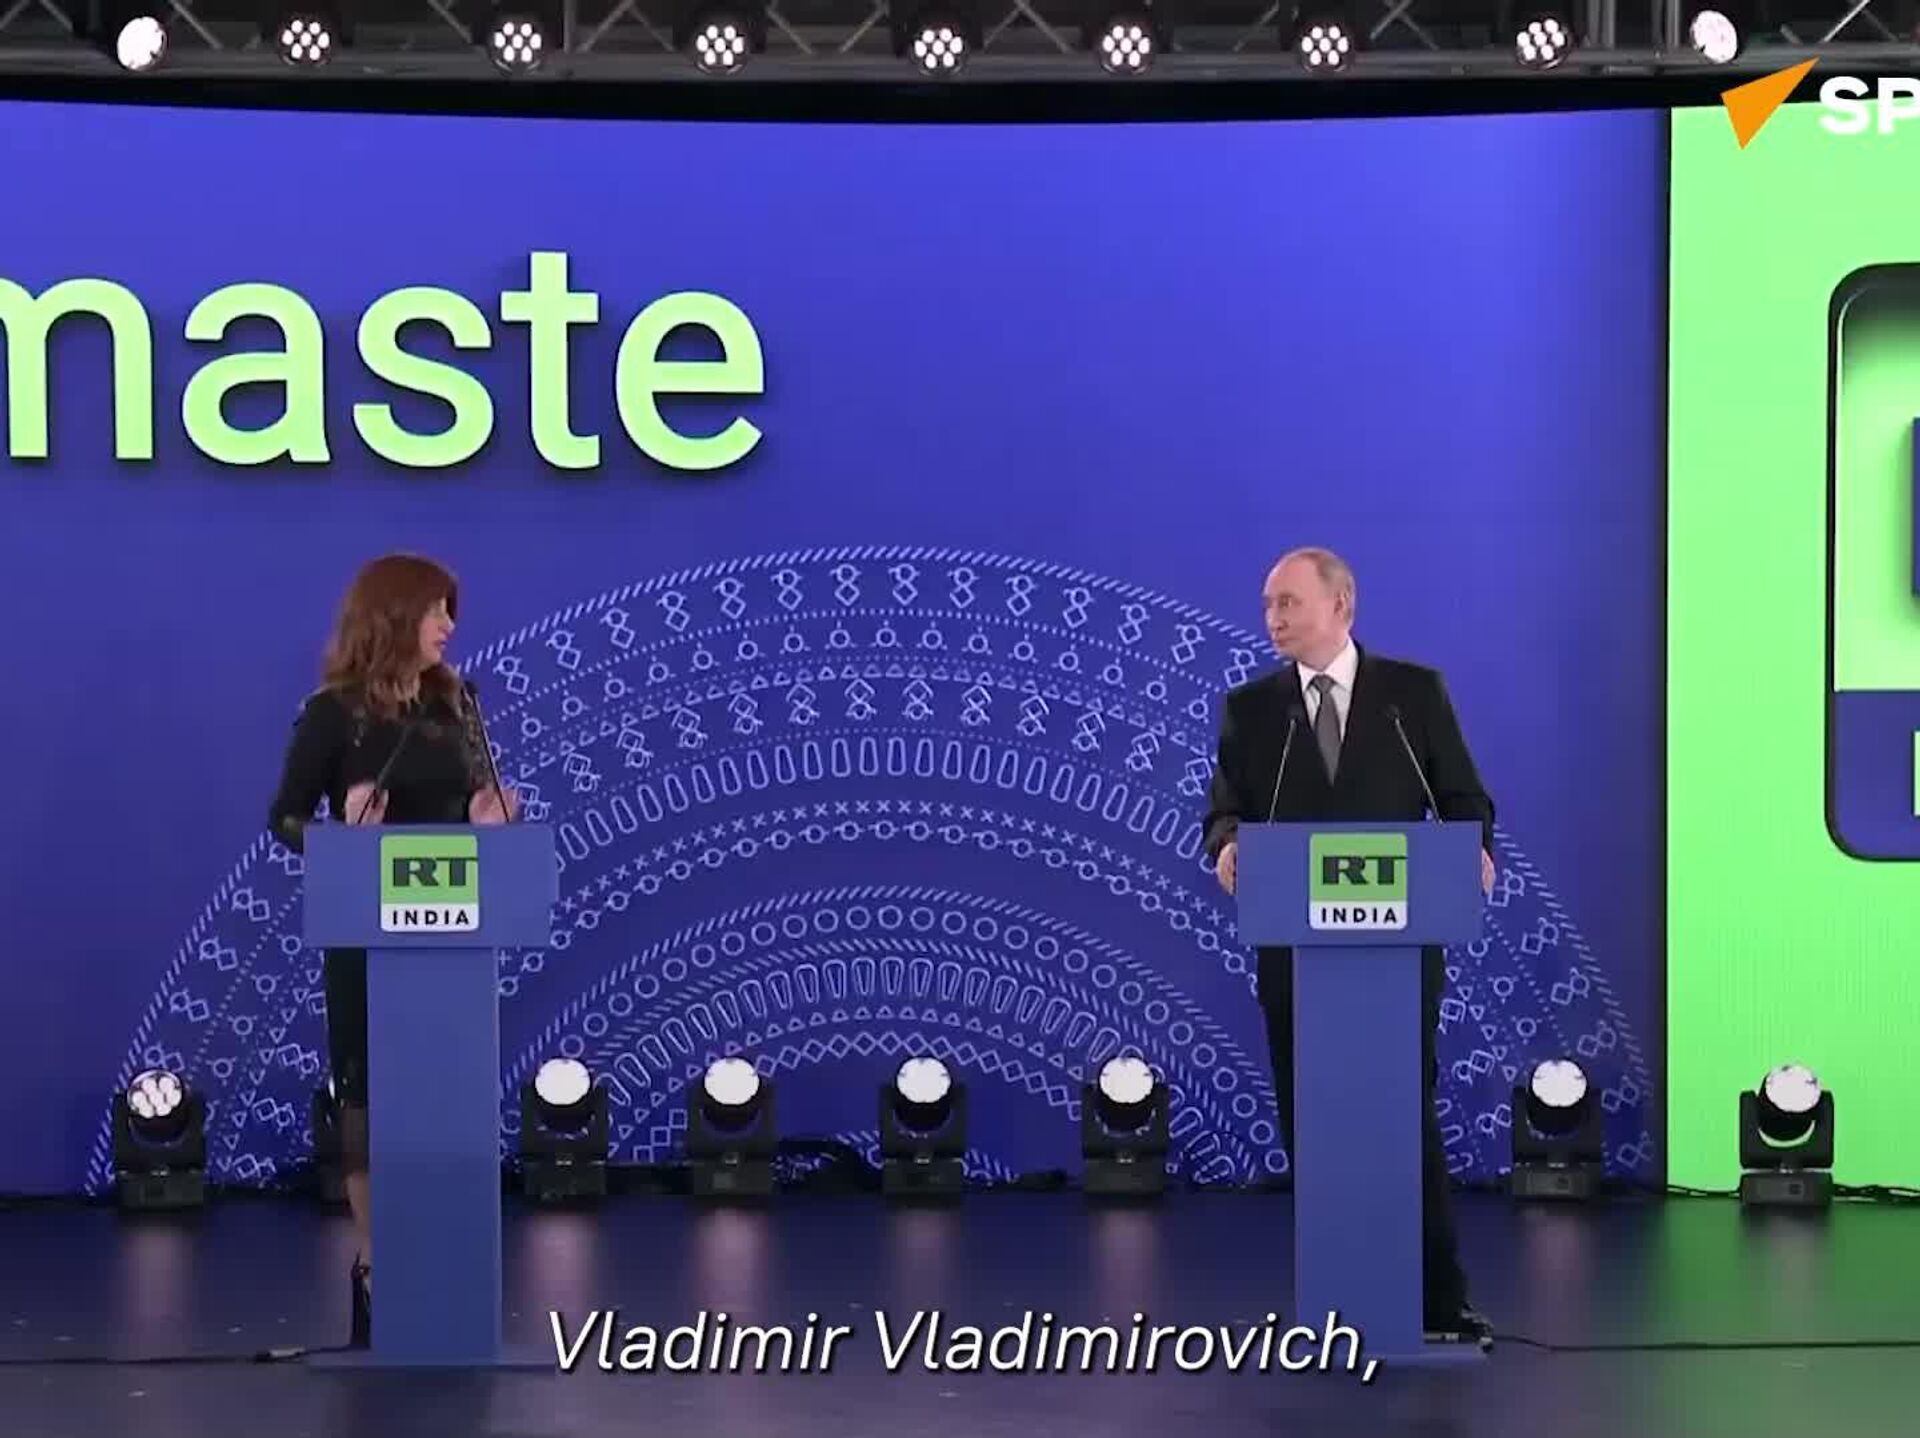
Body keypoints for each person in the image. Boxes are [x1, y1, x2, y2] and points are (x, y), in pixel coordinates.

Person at [1203, 546, 1494, 1344]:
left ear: (1341, 606)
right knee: (1313, 1115)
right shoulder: (1251, 711)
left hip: (1396, 955)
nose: (1273, 618)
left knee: (1405, 1117)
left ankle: (1439, 1300)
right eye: (1268, 605)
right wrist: (1227, 845)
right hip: (1297, 958)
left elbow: (1463, 796)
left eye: (1288, 602)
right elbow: (1225, 810)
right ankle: (1338, 1298)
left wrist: (1473, 846)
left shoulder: (1411, 697)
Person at [266, 553, 518, 1348]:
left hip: (451, 938)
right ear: (393, 615)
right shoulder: (333, 713)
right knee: (371, 1095)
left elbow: (472, 800)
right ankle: (378, 1263)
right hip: (366, 931)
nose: (449, 625)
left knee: (445, 1089)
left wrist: (486, 819)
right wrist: (340, 832)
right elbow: (284, 818)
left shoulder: (457, 701)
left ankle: (447, 1265)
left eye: (451, 611)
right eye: (436, 610)